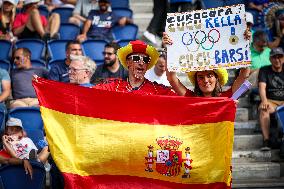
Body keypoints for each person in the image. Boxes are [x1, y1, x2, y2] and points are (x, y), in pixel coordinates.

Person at [162, 33, 250, 97]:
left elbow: (244, 74)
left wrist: (244, 44)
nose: (205, 80)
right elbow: (171, 78)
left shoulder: (226, 98)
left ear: (217, 78)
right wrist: (169, 49)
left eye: (209, 75)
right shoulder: (190, 98)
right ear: (196, 81)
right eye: (200, 77)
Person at [94, 40, 175, 96]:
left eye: (145, 59)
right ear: (128, 62)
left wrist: (172, 79)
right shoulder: (113, 87)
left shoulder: (157, 90)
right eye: (136, 58)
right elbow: (88, 94)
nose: (141, 63)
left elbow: (184, 100)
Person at [258, 47, 284, 151]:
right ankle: (266, 141)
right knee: (264, 109)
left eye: (280, 57)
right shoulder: (264, 70)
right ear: (270, 59)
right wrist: (264, 100)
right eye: (274, 57)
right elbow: (262, 87)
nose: (277, 60)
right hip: (271, 101)